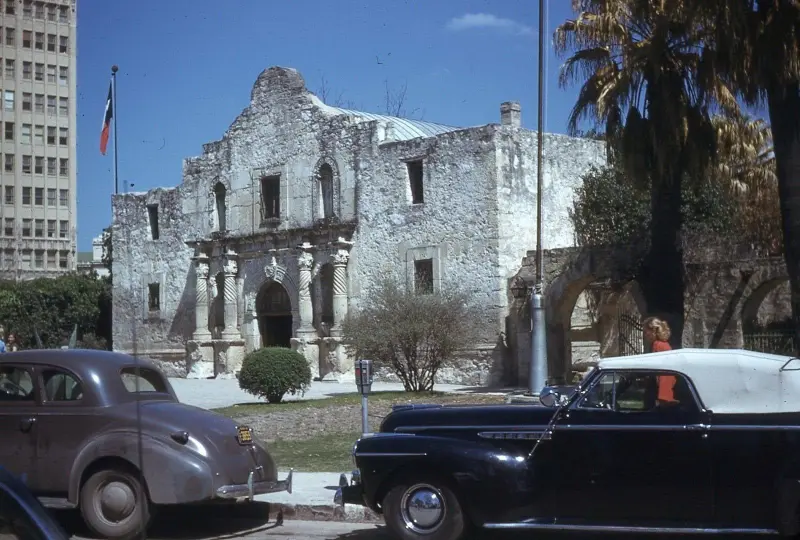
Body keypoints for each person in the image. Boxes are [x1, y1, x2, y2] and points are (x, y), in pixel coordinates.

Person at [642, 316, 676, 406]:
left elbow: (665, 373)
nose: (645, 335)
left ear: (653, 331)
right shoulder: (658, 344)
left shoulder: (659, 346)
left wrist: (663, 397)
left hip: (659, 394)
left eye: (646, 332)